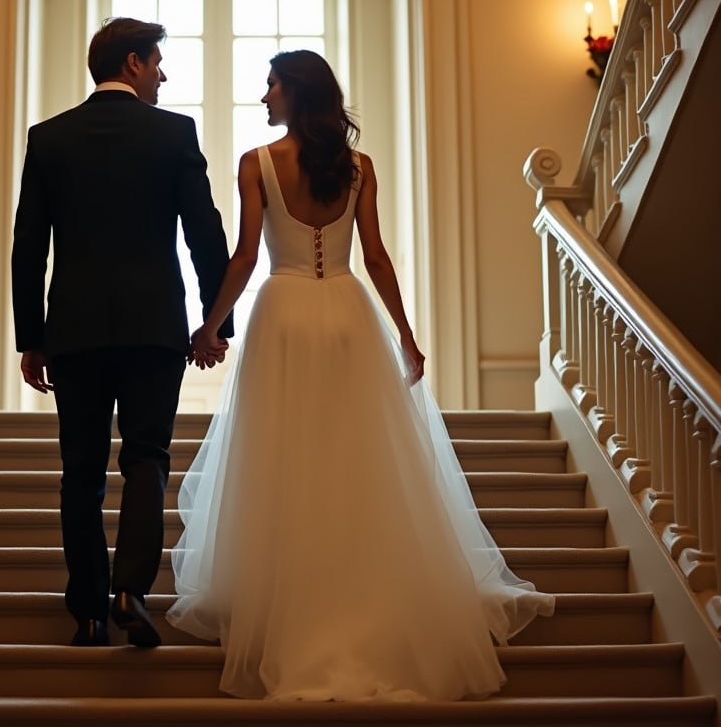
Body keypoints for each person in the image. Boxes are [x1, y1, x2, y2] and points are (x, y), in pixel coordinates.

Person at [169, 50, 555, 700]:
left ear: (295, 92)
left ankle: (295, 596)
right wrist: (403, 333)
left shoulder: (257, 164)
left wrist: (210, 324)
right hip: (349, 314)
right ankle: (358, 588)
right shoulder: (357, 167)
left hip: (284, 314)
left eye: (271, 85)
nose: (264, 95)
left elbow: (244, 255)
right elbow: (373, 257)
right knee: (355, 456)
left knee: (286, 457)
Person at [11, 17, 233, 649]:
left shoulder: (49, 139)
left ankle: (88, 611)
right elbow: (205, 234)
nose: (164, 75)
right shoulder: (173, 134)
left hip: (73, 331)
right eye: (158, 62)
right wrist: (215, 323)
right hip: (154, 327)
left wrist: (32, 336)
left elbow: (29, 249)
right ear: (132, 63)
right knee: (147, 458)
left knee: (80, 470)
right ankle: (133, 589)